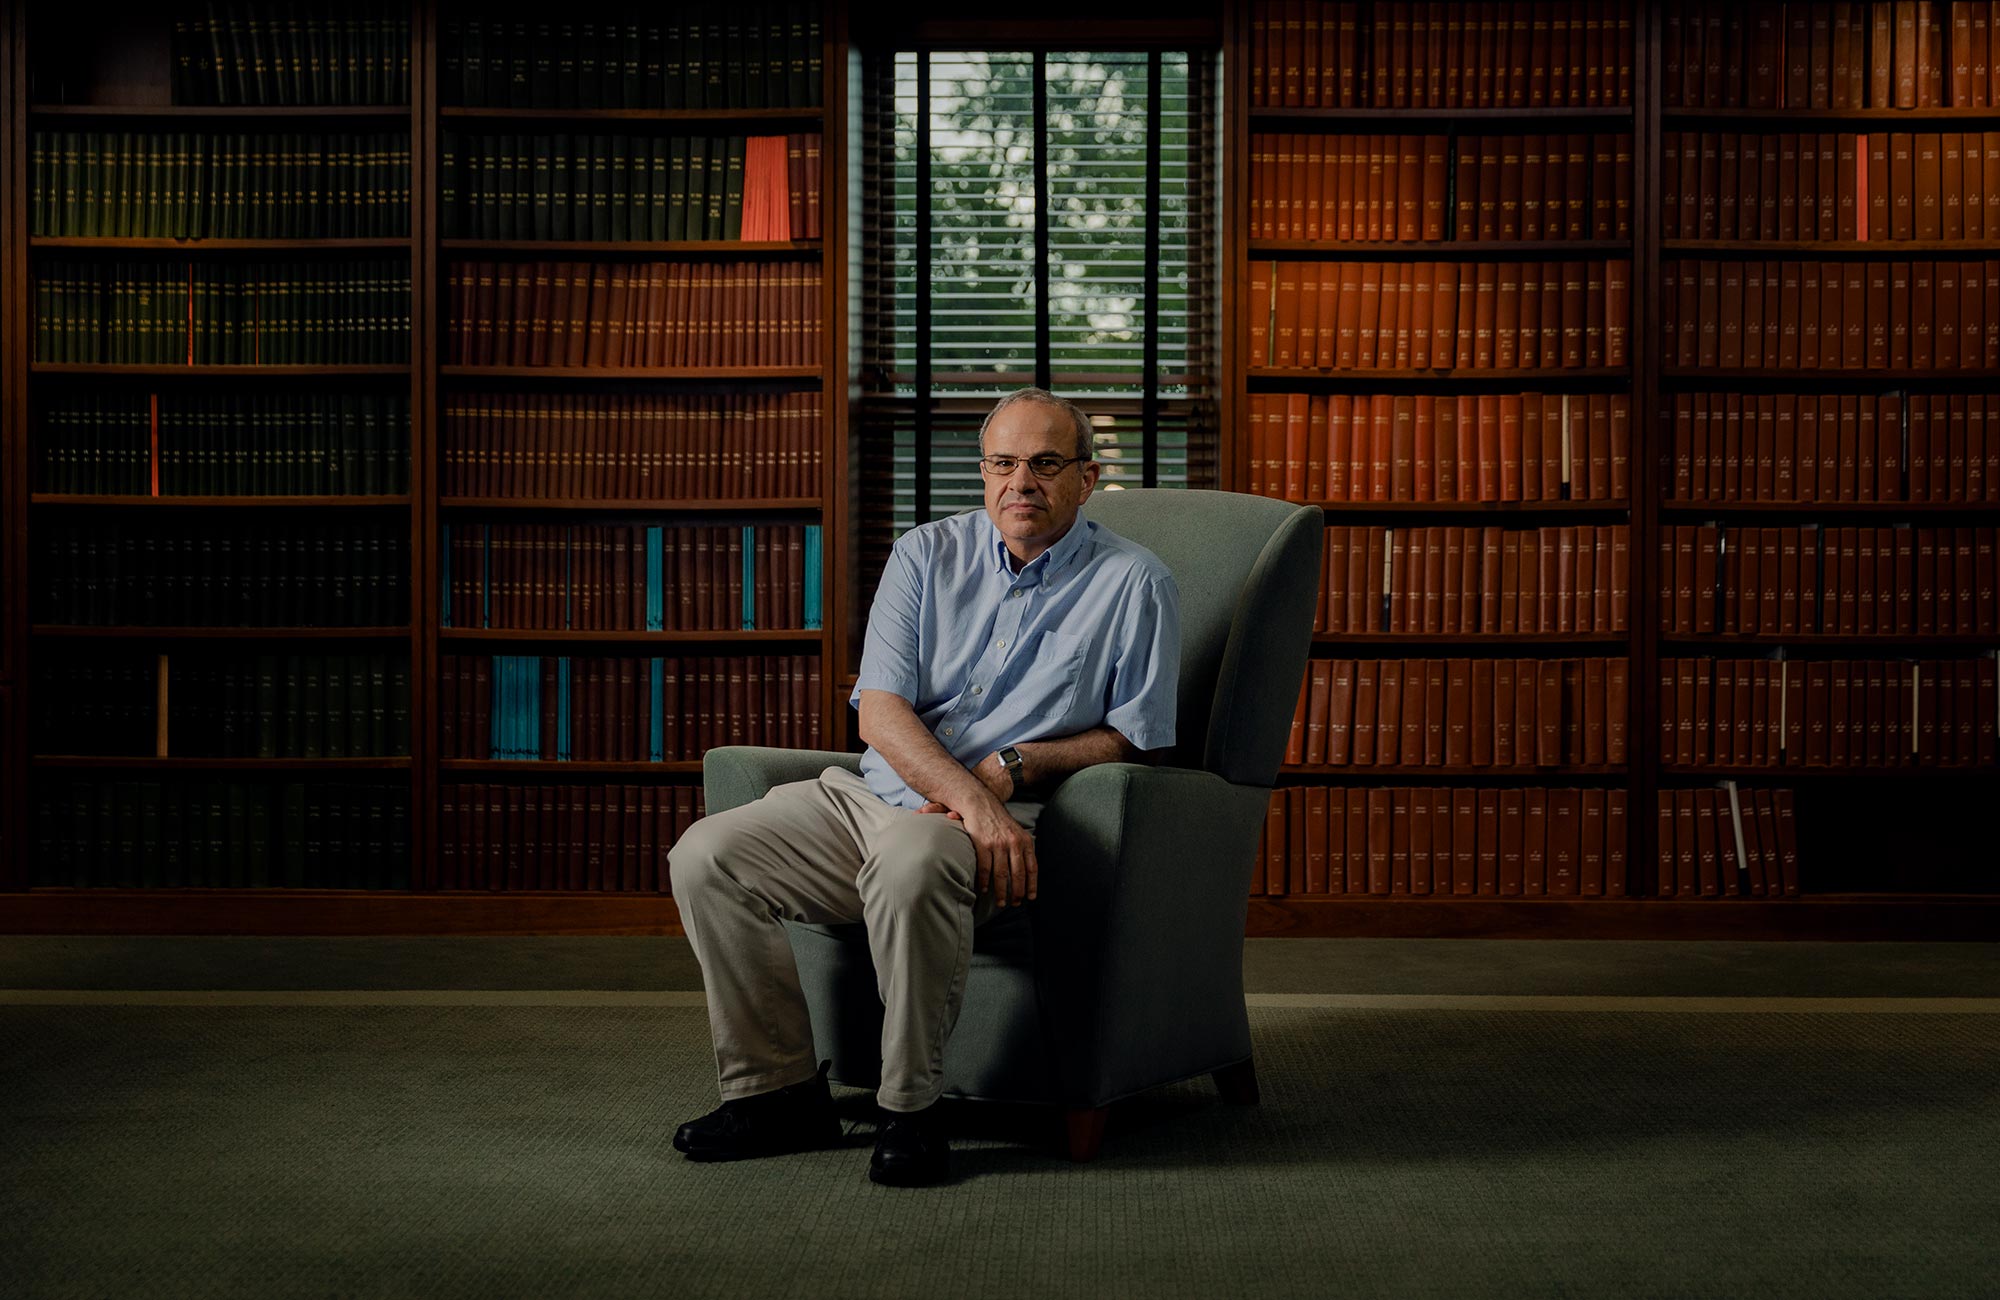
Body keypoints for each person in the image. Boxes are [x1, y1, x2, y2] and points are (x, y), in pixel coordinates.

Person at [666, 387, 1181, 1187]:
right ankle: (777, 1094)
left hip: (984, 826)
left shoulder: (1135, 584)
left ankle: (911, 1109)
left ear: (1087, 477)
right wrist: (972, 795)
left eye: (1046, 464)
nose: (1022, 483)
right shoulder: (923, 555)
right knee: (706, 853)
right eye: (1003, 463)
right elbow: (879, 710)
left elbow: (1136, 737)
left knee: (912, 863)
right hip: (872, 798)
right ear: (982, 473)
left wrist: (1012, 770)